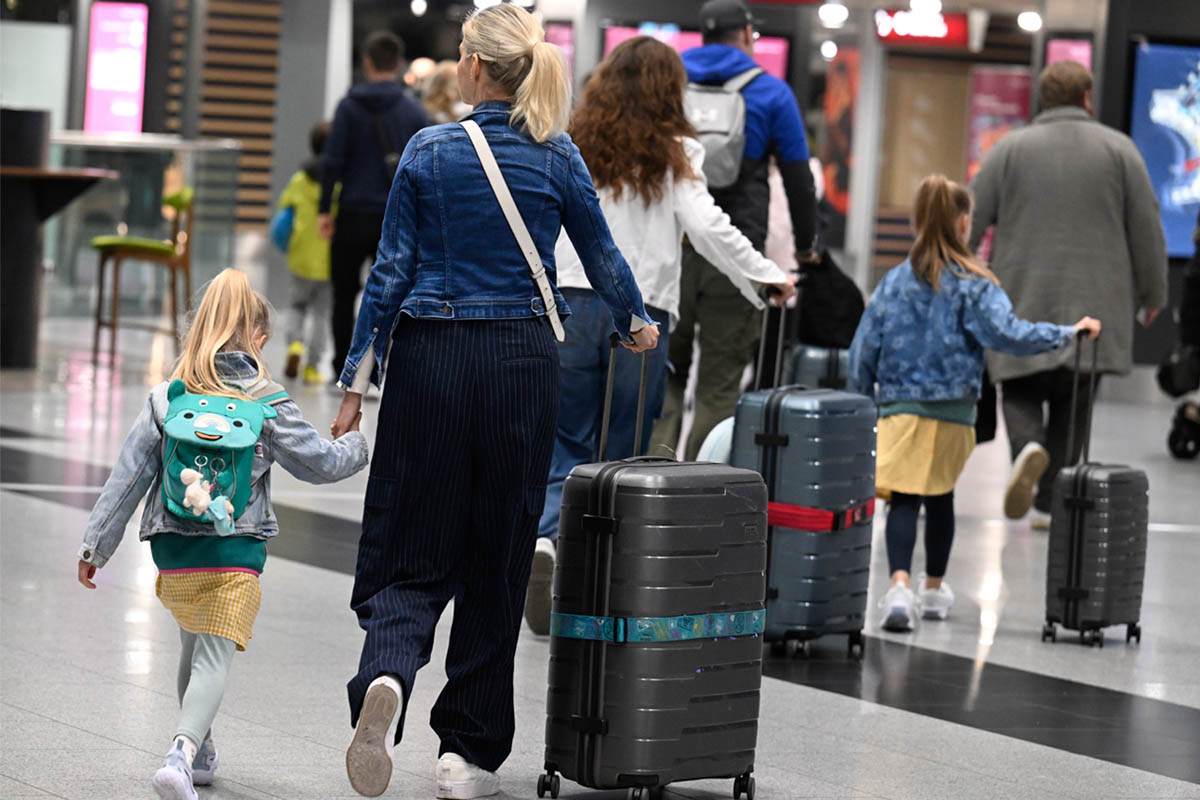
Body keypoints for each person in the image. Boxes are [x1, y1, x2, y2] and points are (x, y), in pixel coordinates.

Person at [328, 6, 658, 798]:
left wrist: (353, 383)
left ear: (472, 64)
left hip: (432, 360)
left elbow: (392, 273)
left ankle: (390, 674)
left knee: (413, 533)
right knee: (499, 550)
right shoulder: (556, 154)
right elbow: (602, 255)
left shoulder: (428, 150)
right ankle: (465, 753)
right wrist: (634, 321)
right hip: (520, 363)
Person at [524, 36, 795, 635]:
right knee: (622, 448)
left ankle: (545, 543)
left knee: (564, 437)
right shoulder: (676, 153)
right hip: (639, 314)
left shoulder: (573, 144)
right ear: (670, 92)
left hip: (566, 302)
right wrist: (767, 275)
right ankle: (597, 579)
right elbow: (708, 226)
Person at [74, 269, 369, 800]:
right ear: (256, 337)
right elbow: (320, 465)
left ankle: (203, 753)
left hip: (175, 552)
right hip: (234, 550)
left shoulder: (168, 396)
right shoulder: (266, 400)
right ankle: (181, 755)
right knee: (213, 655)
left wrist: (96, 545)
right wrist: (359, 444)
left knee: (192, 649)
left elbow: (127, 477)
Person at [850, 175, 1101, 632]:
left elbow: (863, 350)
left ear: (918, 220)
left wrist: (861, 402)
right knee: (940, 495)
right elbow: (1010, 334)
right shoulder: (976, 285)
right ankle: (933, 589)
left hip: (899, 410)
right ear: (964, 223)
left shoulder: (893, 284)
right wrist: (1066, 333)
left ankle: (900, 588)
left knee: (904, 498)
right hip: (954, 414)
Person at [968, 60, 1168, 527]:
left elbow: (970, 218)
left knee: (1015, 382)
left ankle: (1025, 447)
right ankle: (1047, 502)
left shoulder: (1009, 150)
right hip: (1095, 306)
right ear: (1087, 98)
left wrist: (953, 274)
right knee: (1074, 399)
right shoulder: (1120, 150)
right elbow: (1146, 226)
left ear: (1043, 100)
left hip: (1021, 296)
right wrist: (1152, 291)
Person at [651, 0, 819, 461]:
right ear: (746, 35)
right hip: (736, 253)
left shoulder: (668, 82)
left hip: (672, 249)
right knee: (720, 384)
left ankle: (652, 486)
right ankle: (699, 492)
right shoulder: (771, 92)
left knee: (666, 373)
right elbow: (800, 181)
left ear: (703, 36)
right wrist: (806, 249)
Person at [319, 31, 430, 384]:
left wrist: (325, 209)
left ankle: (342, 367)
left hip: (351, 212)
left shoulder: (348, 107)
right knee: (390, 294)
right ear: (399, 65)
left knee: (343, 292)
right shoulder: (414, 113)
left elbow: (332, 161)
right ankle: (379, 368)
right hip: (394, 218)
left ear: (366, 63)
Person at [278, 121, 335, 383]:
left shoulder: (300, 179)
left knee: (297, 306)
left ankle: (294, 345)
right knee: (322, 314)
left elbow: (284, 211)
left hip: (301, 256)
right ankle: (313, 368)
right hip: (329, 260)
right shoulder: (339, 183)